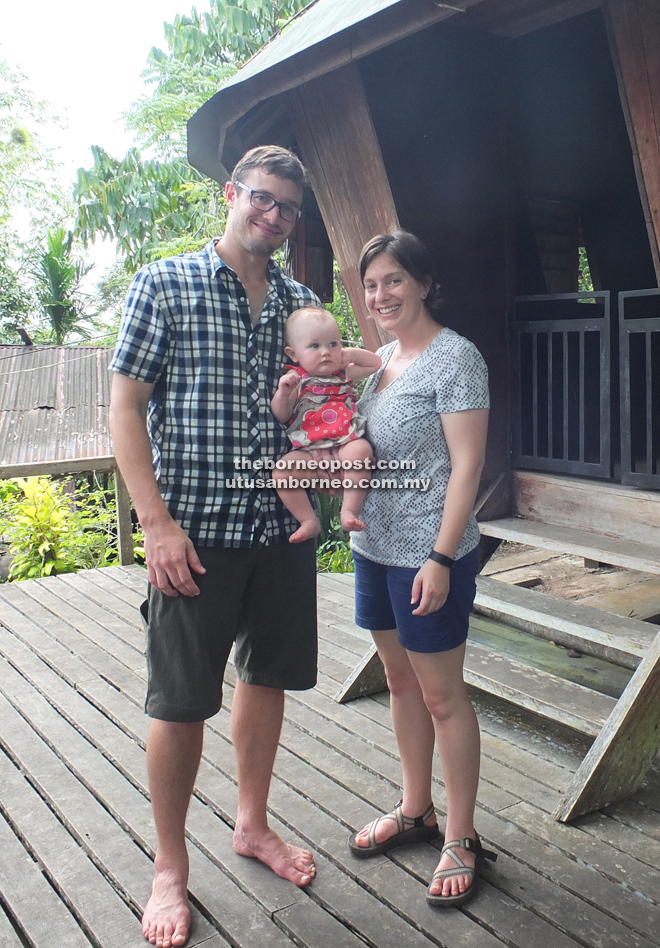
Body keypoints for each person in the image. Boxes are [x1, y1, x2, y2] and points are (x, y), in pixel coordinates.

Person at [109, 145, 322, 948]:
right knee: (181, 699)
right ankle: (169, 866)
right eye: (262, 200)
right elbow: (125, 408)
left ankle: (252, 825)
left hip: (279, 529)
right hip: (193, 534)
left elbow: (318, 402)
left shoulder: (301, 301)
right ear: (231, 193)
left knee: (265, 679)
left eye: (288, 210)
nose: (272, 217)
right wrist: (155, 523)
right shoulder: (164, 283)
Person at [346, 231, 496, 908]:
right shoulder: (376, 363)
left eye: (395, 281)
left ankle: (461, 836)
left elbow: (467, 466)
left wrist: (440, 556)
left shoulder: (456, 358)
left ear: (425, 283)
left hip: (429, 556)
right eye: (372, 284)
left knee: (442, 696)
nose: (381, 295)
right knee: (401, 685)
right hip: (372, 550)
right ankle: (416, 810)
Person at [271, 306, 381, 541]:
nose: (326, 352)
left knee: (361, 450)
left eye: (333, 344)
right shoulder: (298, 380)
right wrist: (282, 392)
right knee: (282, 472)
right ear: (293, 354)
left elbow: (375, 364)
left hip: (345, 443)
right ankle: (308, 520)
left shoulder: (342, 374)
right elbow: (281, 415)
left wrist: (351, 354)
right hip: (310, 453)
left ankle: (349, 509)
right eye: (314, 346)